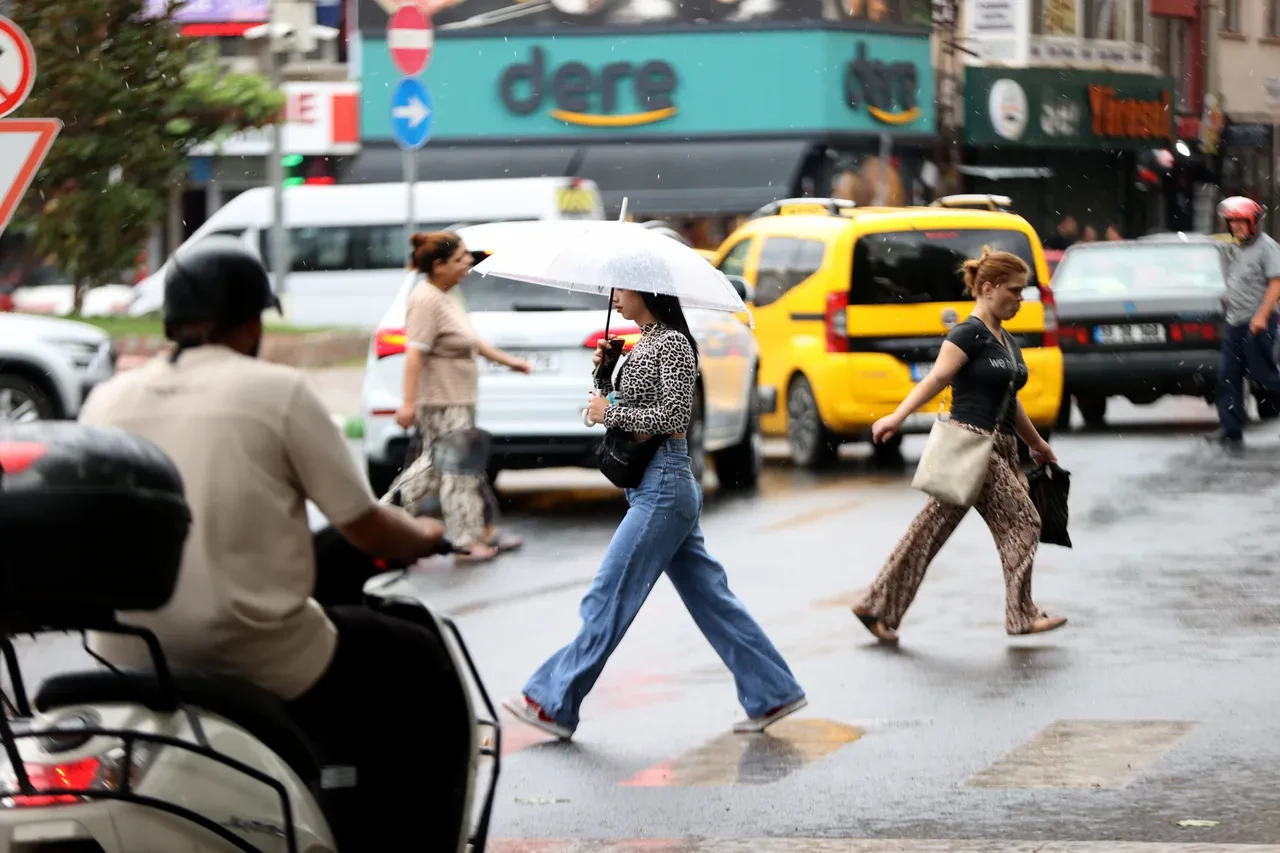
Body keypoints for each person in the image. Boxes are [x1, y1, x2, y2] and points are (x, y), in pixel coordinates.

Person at [78, 236, 473, 851]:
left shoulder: (105, 400)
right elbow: (363, 525)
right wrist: (423, 535)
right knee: (417, 662)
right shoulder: (275, 391)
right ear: (248, 319)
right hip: (254, 652)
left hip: (127, 653)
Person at [502, 288, 807, 740]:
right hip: (652, 486)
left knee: (609, 595)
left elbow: (675, 414)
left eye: (621, 289)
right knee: (712, 601)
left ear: (648, 292)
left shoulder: (675, 343)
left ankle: (554, 701)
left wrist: (613, 408)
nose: (614, 297)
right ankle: (774, 691)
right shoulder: (644, 339)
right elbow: (627, 413)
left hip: (663, 486)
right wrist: (607, 377)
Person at [852, 247, 1068, 643]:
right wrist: (896, 417)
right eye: (1015, 291)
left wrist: (1035, 443)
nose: (1021, 299)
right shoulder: (968, 334)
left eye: (1024, 292)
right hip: (972, 443)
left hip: (1000, 445)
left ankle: (876, 606)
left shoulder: (1005, 340)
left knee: (929, 529)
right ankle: (1021, 615)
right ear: (988, 288)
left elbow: (1011, 401)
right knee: (1023, 521)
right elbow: (936, 380)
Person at [390, 231, 531, 563]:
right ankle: (464, 542)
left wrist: (508, 361)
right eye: (461, 258)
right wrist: (408, 403)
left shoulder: (446, 295)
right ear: (438, 266)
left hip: (458, 399)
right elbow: (414, 355)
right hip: (441, 401)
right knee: (453, 471)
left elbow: (470, 341)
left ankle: (391, 523)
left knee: (438, 469)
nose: (469, 261)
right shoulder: (425, 300)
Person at [1211, 196, 1280, 450]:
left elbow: (1276, 283)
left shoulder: (1266, 247)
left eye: (1240, 222)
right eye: (1231, 222)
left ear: (1253, 223)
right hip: (1234, 324)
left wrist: (1262, 315)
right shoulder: (1235, 248)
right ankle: (1231, 430)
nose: (1235, 227)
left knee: (1266, 379)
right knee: (1227, 377)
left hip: (1257, 324)